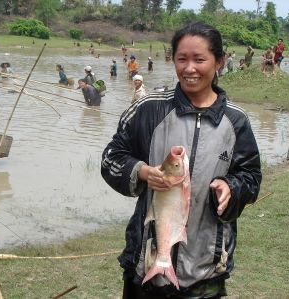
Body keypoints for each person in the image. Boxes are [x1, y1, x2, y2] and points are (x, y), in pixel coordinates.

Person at [101, 22, 262, 299]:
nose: (189, 69)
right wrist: (141, 171)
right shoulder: (147, 108)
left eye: (199, 59)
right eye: (182, 59)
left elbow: (251, 176)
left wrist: (231, 187)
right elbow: (110, 158)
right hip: (146, 263)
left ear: (219, 61)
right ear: (172, 59)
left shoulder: (236, 121)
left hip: (206, 267)